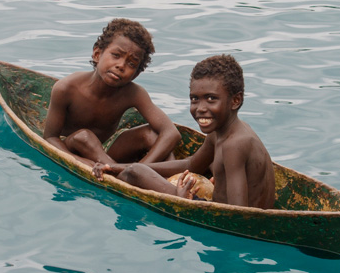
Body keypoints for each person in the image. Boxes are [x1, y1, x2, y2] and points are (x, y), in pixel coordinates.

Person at [93, 54, 276, 209]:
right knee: (130, 171)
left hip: (229, 221)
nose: (200, 108)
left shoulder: (234, 144)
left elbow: (240, 216)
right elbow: (191, 164)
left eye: (211, 99)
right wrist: (116, 167)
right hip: (224, 210)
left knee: (135, 172)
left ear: (235, 101)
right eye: (195, 99)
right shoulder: (223, 132)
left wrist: (180, 201)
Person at [43, 18, 181, 166]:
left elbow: (171, 133)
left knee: (151, 135)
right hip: (72, 146)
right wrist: (83, 162)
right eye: (116, 55)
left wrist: (141, 168)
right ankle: (117, 171)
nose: (121, 65)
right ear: (97, 54)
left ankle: (170, 178)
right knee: (84, 137)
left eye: (131, 64)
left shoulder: (133, 93)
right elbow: (50, 138)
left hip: (107, 152)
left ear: (136, 74)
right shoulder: (66, 88)